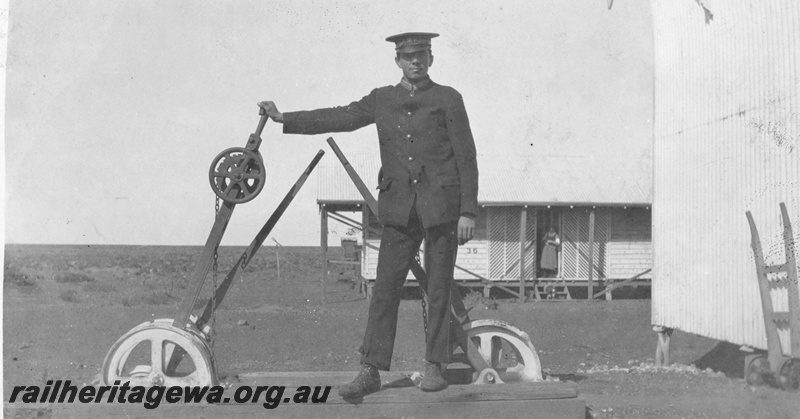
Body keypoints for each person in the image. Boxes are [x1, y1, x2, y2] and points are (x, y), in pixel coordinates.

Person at [257, 32, 478, 398]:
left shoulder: (448, 99)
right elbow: (340, 116)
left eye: (421, 55)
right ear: (397, 61)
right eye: (408, 57)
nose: (415, 62)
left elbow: (466, 158)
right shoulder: (382, 99)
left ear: (431, 58)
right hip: (398, 210)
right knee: (385, 291)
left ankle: (434, 366)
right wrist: (284, 118)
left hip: (441, 209)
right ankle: (370, 371)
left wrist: (468, 211)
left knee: (439, 288)